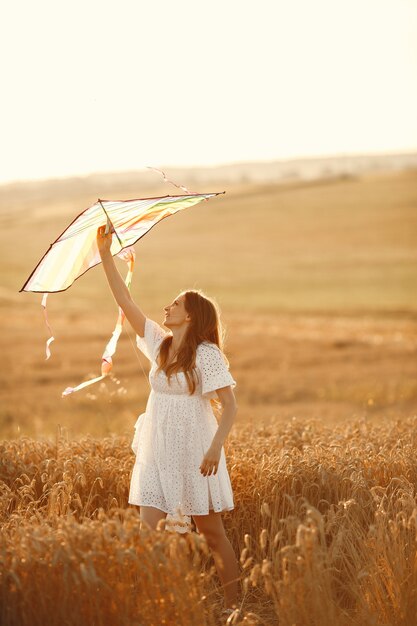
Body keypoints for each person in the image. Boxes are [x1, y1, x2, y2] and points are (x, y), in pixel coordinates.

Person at [96, 225, 241, 614]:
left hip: (197, 452)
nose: (167, 308)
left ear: (192, 315)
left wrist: (214, 450)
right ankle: (166, 606)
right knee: (152, 537)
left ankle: (232, 608)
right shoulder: (159, 345)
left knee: (211, 534)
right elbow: (125, 302)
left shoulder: (207, 354)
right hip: (158, 451)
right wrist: (105, 253)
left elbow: (229, 406)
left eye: (175, 305)